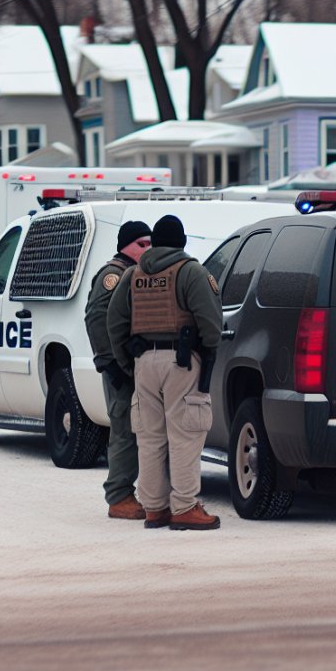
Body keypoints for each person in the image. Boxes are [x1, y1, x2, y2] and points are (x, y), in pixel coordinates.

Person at [107, 214, 223, 531]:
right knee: (185, 434)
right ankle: (184, 507)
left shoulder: (132, 275)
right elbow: (211, 321)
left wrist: (127, 362)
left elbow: (113, 322)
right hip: (183, 361)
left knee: (150, 437)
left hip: (143, 362)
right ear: (182, 241)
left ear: (155, 243)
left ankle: (155, 508)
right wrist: (208, 351)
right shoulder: (191, 272)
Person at [83, 220, 151, 521]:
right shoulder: (113, 275)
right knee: (124, 429)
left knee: (135, 428)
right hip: (118, 368)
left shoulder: (134, 273)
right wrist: (110, 363)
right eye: (142, 244)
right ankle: (119, 496)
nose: (147, 249)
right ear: (125, 245)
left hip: (130, 365)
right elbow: (96, 318)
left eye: (150, 244)